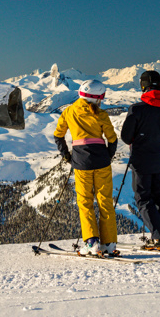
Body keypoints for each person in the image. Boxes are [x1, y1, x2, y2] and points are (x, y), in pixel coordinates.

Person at [54, 79, 118, 255]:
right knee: (105, 201)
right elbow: (112, 139)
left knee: (85, 202)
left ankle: (92, 242)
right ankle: (110, 243)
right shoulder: (102, 115)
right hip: (102, 160)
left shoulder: (69, 111)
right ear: (98, 97)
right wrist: (108, 156)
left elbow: (58, 135)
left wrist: (67, 156)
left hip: (81, 161)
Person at [121, 70, 160, 251]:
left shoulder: (137, 109)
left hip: (140, 161)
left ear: (143, 85)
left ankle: (159, 238)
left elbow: (126, 137)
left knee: (143, 199)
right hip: (159, 160)